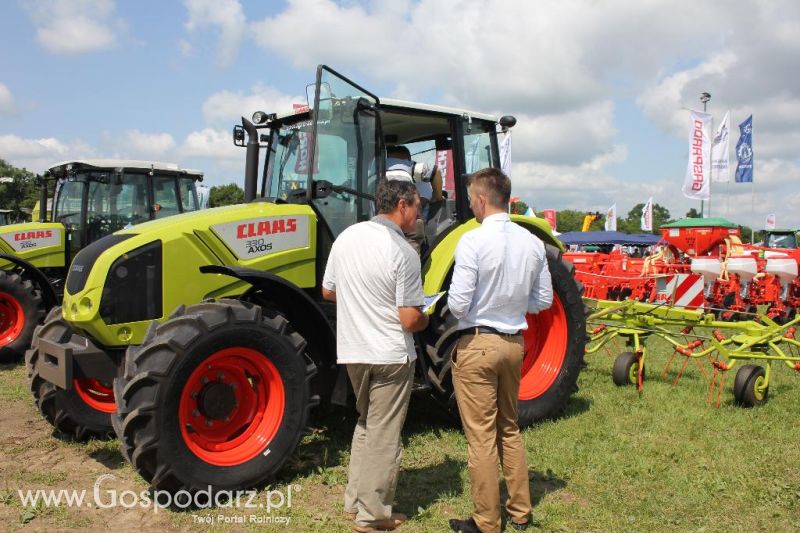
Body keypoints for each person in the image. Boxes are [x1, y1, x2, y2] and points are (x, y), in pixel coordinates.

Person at [446, 168, 553, 533]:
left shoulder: (473, 242)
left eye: (472, 199)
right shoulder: (534, 243)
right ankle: (521, 512)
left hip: (478, 343)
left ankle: (487, 522)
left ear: (480, 199)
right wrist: (511, 303)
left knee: (480, 438)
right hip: (513, 344)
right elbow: (543, 300)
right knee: (509, 428)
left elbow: (458, 304)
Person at [322, 178, 430, 533]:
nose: (419, 213)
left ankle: (355, 502)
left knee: (367, 423)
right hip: (390, 354)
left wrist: (364, 301)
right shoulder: (404, 252)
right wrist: (428, 314)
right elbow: (409, 318)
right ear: (401, 205)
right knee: (384, 433)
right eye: (417, 206)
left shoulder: (347, 238)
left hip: (354, 350)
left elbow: (328, 291)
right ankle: (374, 516)